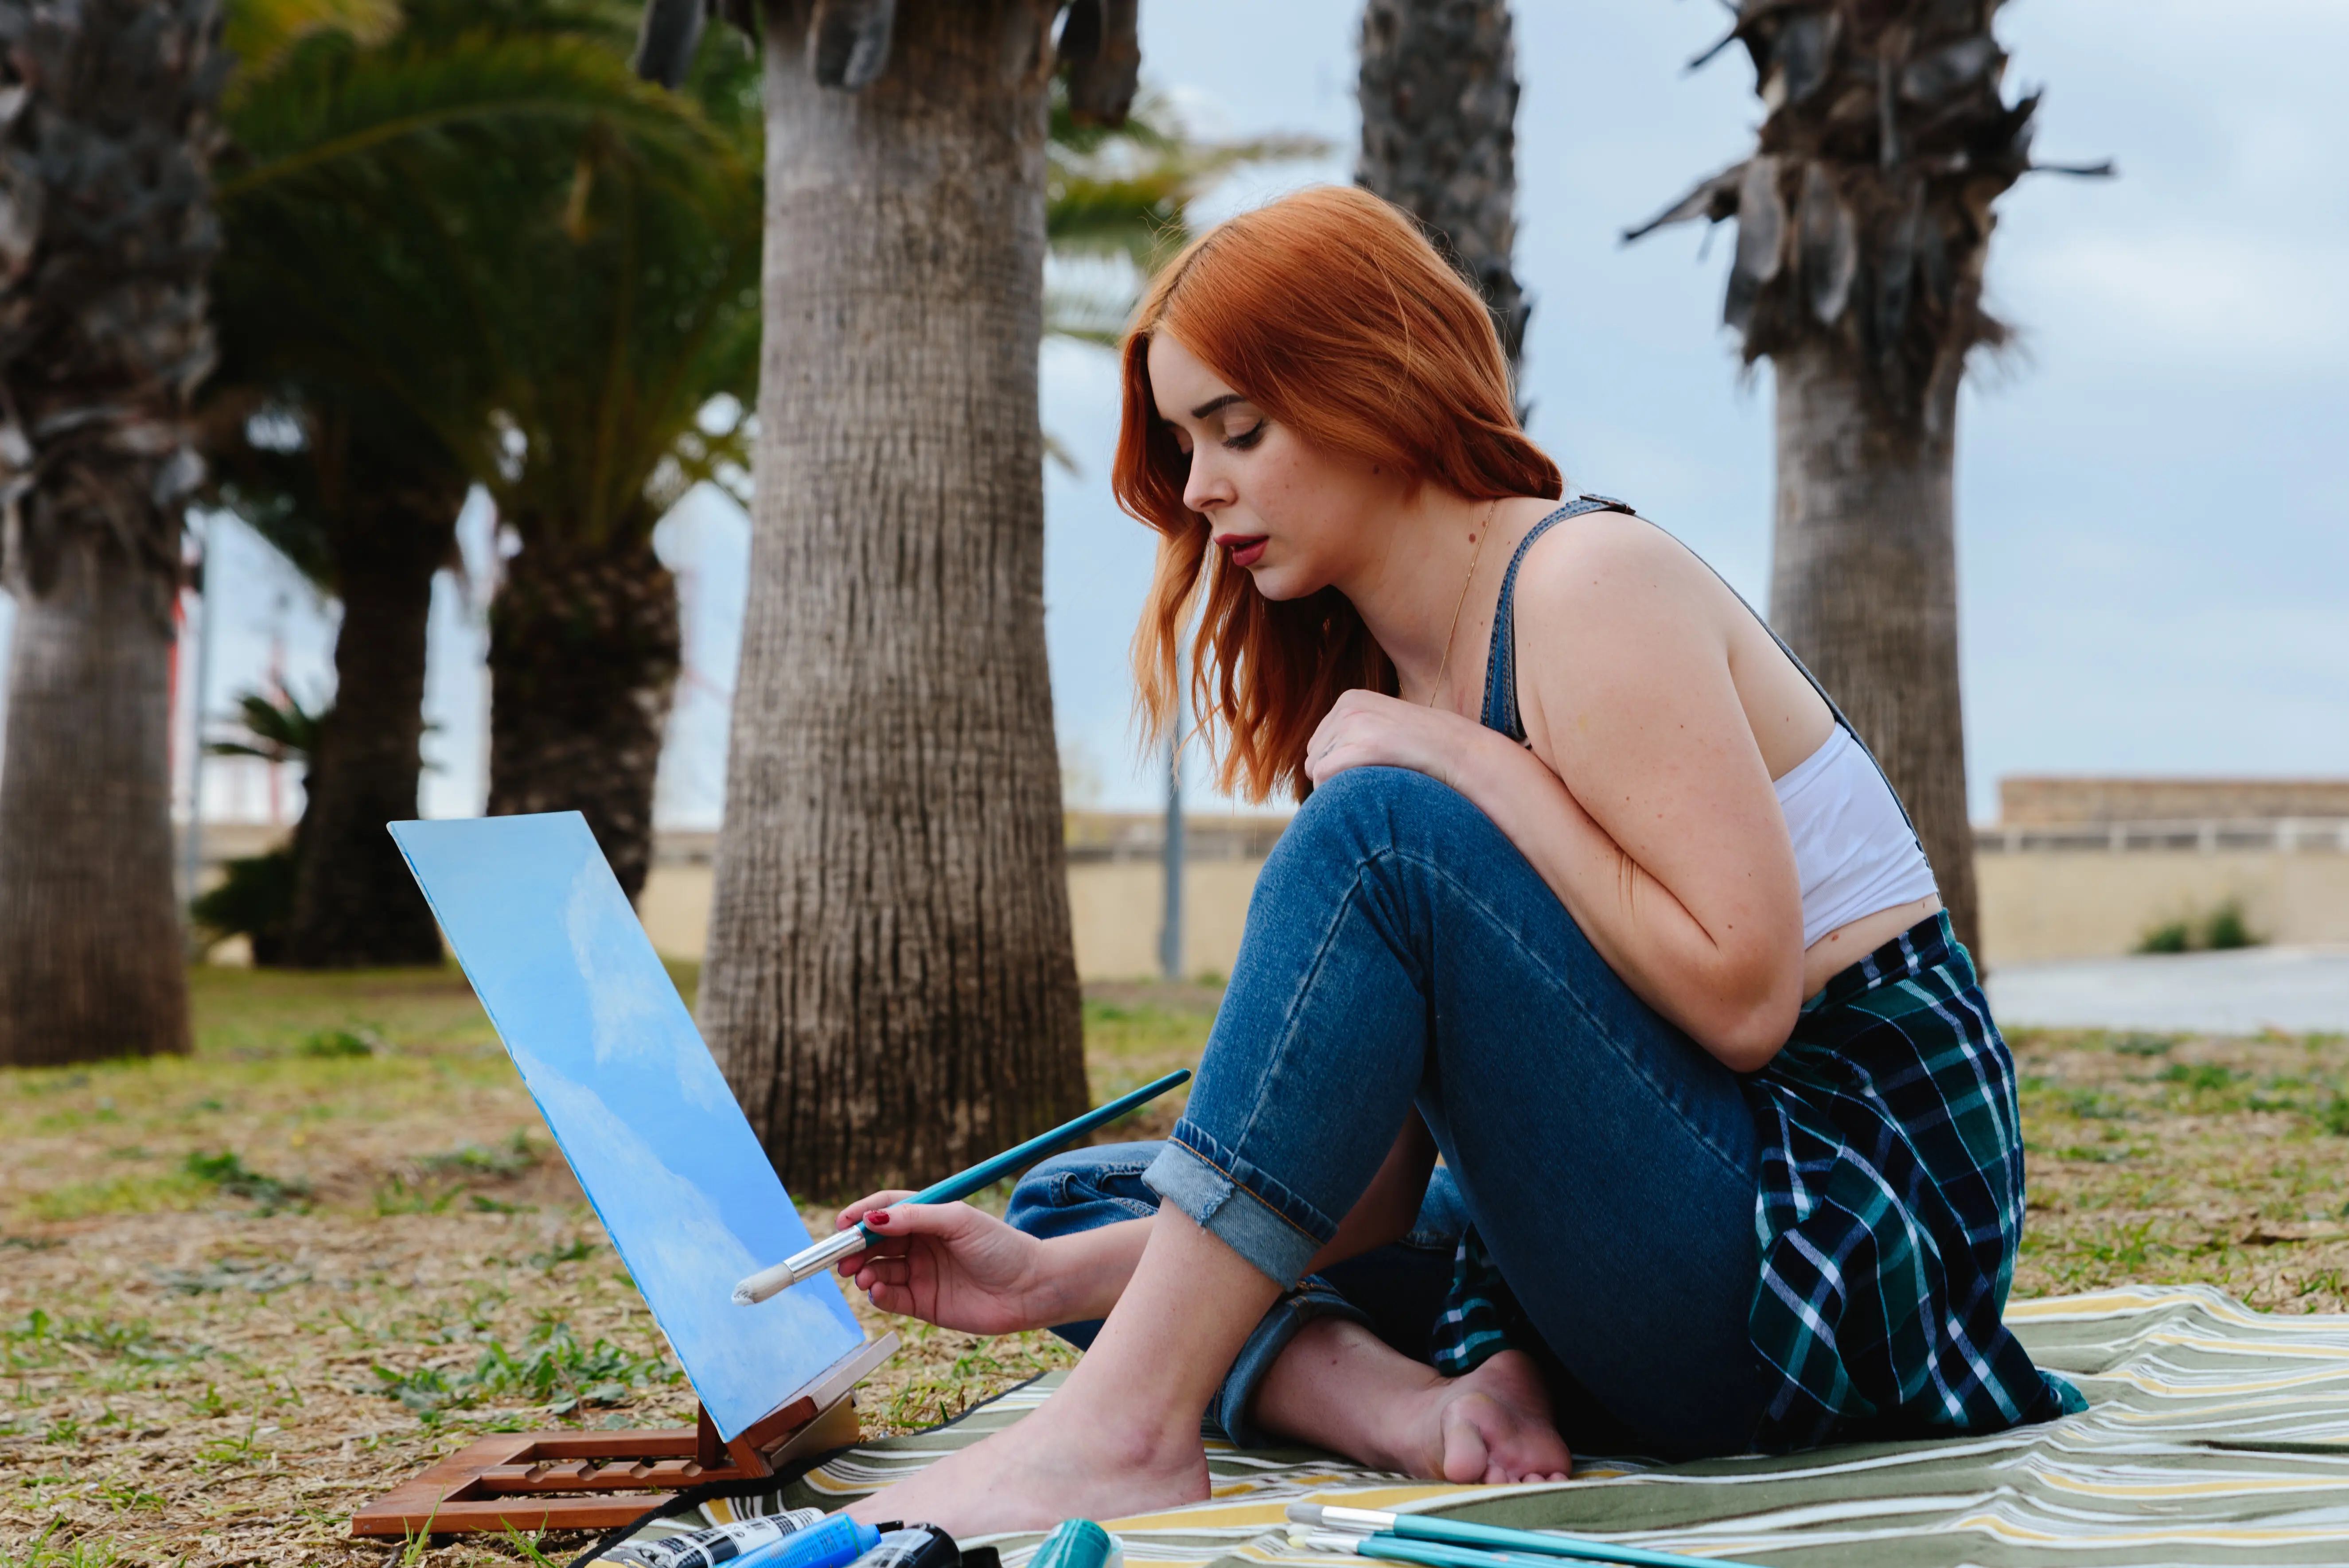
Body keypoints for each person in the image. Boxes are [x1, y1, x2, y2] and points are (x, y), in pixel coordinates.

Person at [823, 185, 2082, 1536]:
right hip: (1631, 1245)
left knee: (1375, 837)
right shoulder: (1400, 682)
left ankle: (1121, 1432)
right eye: (1185, 446)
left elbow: (1744, 1001)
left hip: (1814, 1255)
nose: (1199, 490)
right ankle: (1426, 1413)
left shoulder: (1580, 582)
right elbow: (1361, 1200)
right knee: (1072, 1208)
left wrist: (1472, 764)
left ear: (1375, 384)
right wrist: (1034, 1287)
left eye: (1238, 431)